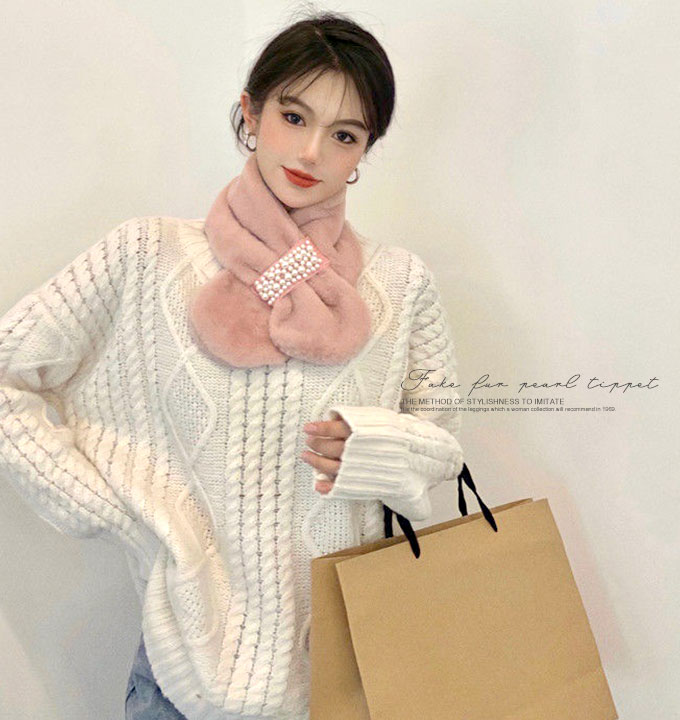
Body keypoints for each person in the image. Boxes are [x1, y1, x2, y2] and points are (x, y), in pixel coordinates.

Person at [0, 11, 465, 720]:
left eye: (344, 134)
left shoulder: (400, 284)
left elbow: (441, 441)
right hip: (178, 681)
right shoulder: (146, 255)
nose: (311, 150)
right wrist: (117, 515)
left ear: (364, 153)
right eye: (293, 116)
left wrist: (377, 449)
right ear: (250, 113)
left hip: (342, 684)